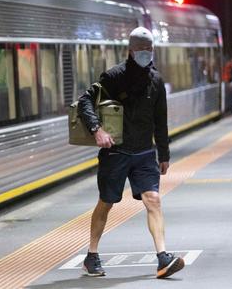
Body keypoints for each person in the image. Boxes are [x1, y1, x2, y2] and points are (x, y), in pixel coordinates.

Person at [77, 27, 185, 279]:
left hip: (145, 153)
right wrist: (97, 130)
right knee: (106, 202)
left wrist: (164, 154)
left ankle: (162, 258)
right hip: (116, 152)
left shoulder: (156, 81)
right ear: (131, 50)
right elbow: (84, 101)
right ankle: (91, 255)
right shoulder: (114, 76)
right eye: (141, 50)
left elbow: (161, 120)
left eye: (150, 50)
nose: (146, 54)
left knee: (153, 200)